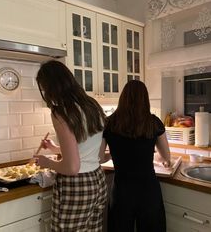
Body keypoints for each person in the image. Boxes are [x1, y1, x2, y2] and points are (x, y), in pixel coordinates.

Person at [35, 60, 108, 231]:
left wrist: (47, 162)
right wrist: (55, 149)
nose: (45, 93)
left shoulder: (60, 111)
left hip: (77, 185)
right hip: (97, 180)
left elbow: (72, 167)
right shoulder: (91, 105)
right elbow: (86, 149)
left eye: (44, 89)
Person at [99, 80, 171, 232]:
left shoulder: (109, 123)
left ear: (123, 98)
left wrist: (115, 154)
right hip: (148, 191)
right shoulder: (153, 122)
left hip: (121, 192)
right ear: (145, 99)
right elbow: (166, 156)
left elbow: (99, 158)